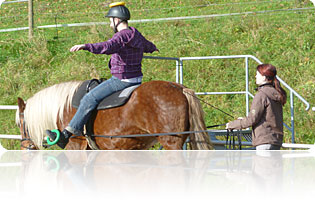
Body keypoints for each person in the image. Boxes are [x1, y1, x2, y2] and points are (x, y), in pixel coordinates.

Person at [46, 2, 158, 149]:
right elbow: (148, 46)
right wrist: (153, 49)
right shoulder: (135, 34)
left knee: (89, 98)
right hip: (137, 79)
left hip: (121, 80)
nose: (109, 23)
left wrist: (86, 46)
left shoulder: (121, 37)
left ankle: (67, 135)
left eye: (110, 20)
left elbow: (107, 46)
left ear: (116, 20)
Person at [226, 64, 287, 150]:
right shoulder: (275, 93)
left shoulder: (262, 95)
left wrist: (232, 124)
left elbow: (252, 119)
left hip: (264, 141)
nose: (255, 76)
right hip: (275, 141)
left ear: (264, 77)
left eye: (258, 74)